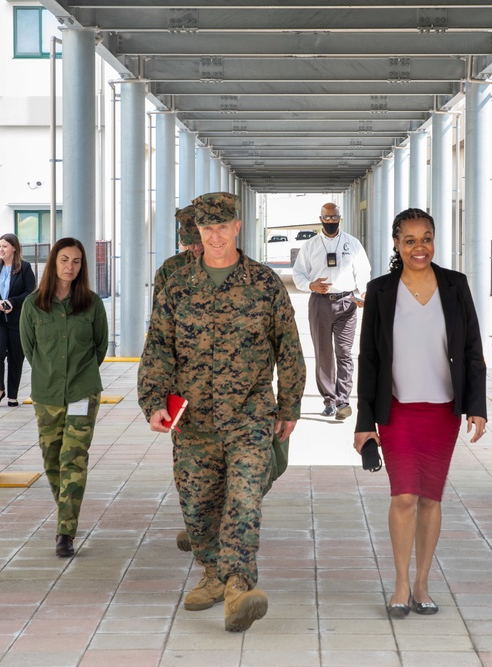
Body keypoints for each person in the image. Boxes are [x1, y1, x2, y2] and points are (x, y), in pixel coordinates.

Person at [138, 192, 305, 632]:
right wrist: (154, 402)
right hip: (192, 420)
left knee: (244, 499)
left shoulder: (264, 283)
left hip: (250, 414)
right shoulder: (176, 284)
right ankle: (212, 574)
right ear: (198, 231)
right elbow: (158, 347)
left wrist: (289, 405)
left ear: (236, 227)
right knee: (198, 507)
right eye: (205, 228)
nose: (213, 235)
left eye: (221, 226)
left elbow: (288, 347)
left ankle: (237, 588)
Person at [354, 208, 487, 618]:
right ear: (396, 244)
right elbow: (369, 359)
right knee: (404, 497)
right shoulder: (379, 291)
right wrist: (363, 423)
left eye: (426, 238)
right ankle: (399, 584)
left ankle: (423, 583)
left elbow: (472, 350)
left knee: (430, 498)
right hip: (397, 411)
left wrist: (476, 407)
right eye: (409, 240)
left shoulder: (455, 285)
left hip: (443, 411)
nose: (419, 247)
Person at [20, 237, 108, 559]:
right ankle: (66, 512)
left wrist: (80, 376)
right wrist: (52, 374)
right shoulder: (33, 305)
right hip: (46, 394)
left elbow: (100, 347)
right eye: (64, 260)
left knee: (74, 458)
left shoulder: (93, 304)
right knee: (52, 459)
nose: (70, 267)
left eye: (76, 261)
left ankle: (65, 532)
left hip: (83, 390)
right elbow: (30, 350)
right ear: (53, 263)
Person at [151, 204, 202, 553]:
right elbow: (158, 334)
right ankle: (196, 526)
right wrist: (156, 393)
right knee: (189, 469)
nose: (195, 250)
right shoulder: (170, 272)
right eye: (189, 245)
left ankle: (213, 526)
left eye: (198, 242)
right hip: (184, 388)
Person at [291, 202, 371, 419]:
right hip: (320, 303)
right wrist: (311, 286)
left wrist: (363, 293)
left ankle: (343, 400)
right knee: (324, 354)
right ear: (320, 219)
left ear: (339, 218)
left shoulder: (352, 244)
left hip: (346, 303)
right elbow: (298, 274)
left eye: (334, 218)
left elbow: (363, 271)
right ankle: (329, 399)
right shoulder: (311, 246)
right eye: (326, 218)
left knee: (344, 353)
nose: (330, 222)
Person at [0, 233, 36, 407]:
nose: (1, 250)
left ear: (14, 248)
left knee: (15, 357)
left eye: (5, 246)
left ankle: (12, 395)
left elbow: (30, 291)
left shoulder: (25, 268)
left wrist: (12, 302)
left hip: (17, 320)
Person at [152, 203, 203, 304]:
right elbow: (159, 312)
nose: (196, 247)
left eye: (201, 241)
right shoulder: (171, 267)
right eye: (191, 242)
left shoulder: (234, 265)